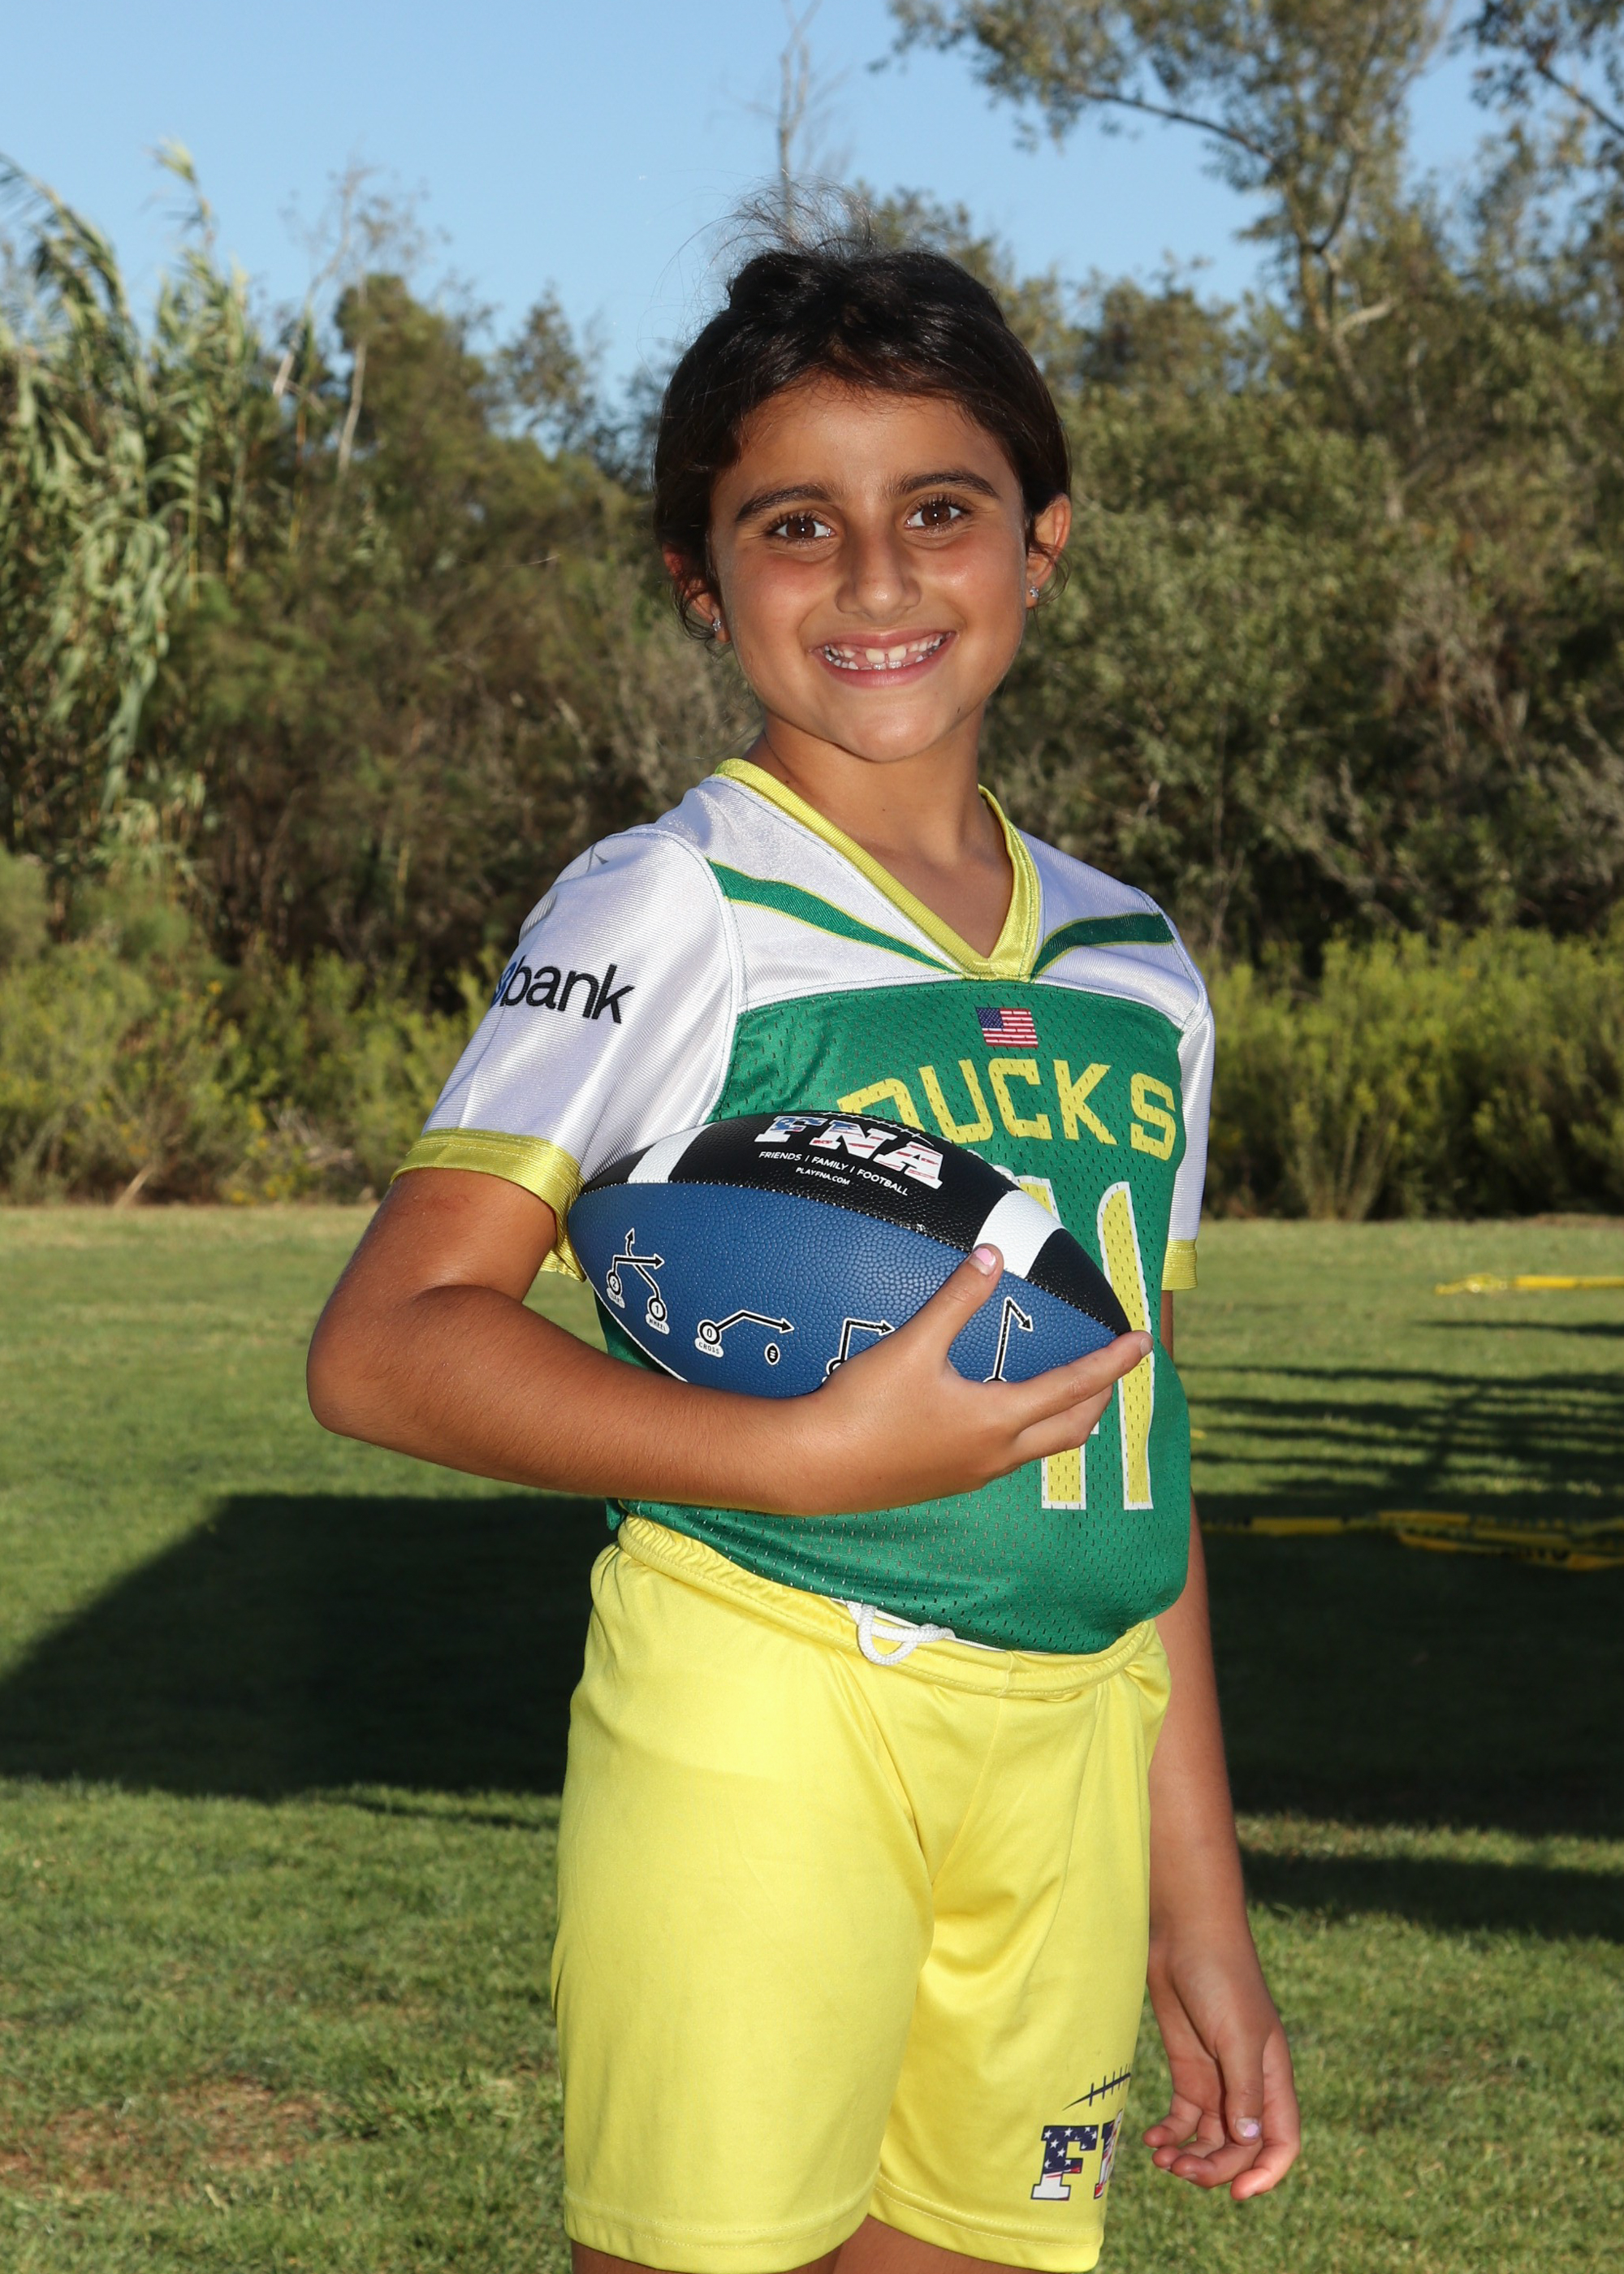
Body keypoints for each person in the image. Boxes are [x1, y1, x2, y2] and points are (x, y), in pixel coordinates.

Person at [308, 237, 1300, 2274]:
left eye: (936, 510)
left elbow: (1139, 1431)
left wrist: (1195, 1888)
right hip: (770, 1694)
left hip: (1071, 1747)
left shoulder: (1139, 965)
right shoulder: (673, 902)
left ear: (1040, 539)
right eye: (792, 525)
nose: (872, 579)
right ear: (701, 576)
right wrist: (800, 1454)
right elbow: (386, 1342)